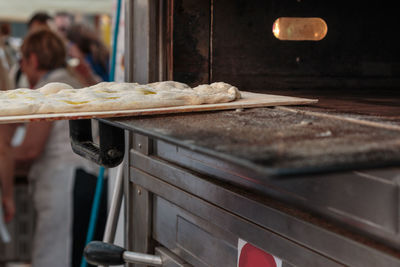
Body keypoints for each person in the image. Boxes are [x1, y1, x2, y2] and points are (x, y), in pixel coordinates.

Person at [10, 29, 106, 267]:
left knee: (57, 259)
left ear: (32, 59)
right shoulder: (68, 81)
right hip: (85, 181)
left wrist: (4, 154)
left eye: (23, 60)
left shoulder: (50, 90)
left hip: (67, 186)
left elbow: (31, 149)